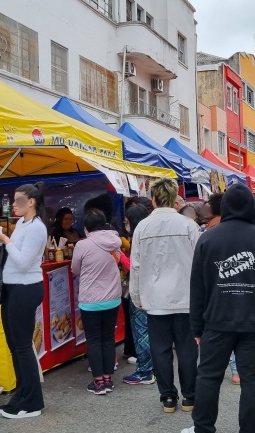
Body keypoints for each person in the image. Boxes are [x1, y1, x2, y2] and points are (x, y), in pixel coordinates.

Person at [183, 184, 255, 433]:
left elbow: (197, 287)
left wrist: (196, 326)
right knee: (252, 382)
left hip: (217, 320)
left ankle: (203, 428)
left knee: (208, 378)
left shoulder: (208, 237)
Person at [130, 177, 200, 414]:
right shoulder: (189, 225)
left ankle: (168, 397)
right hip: (186, 297)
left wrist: (136, 295)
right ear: (175, 199)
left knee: (159, 349)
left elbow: (136, 265)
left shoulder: (142, 227)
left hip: (154, 297)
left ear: (153, 199)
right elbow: (200, 264)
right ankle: (190, 397)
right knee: (187, 349)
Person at [0, 183, 48, 419]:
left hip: (25, 289)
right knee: (14, 346)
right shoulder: (22, 224)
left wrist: (4, 239)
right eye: (13, 201)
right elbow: (13, 251)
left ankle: (32, 402)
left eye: (18, 201)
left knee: (21, 346)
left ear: (31, 202)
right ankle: (22, 394)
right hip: (12, 289)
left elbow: (23, 261)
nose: (15, 205)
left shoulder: (37, 228)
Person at [71, 209, 123, 395]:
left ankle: (98, 382)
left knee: (93, 340)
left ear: (86, 228)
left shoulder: (82, 246)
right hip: (112, 298)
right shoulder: (115, 242)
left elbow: (75, 269)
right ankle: (108, 379)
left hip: (90, 300)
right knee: (108, 338)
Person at [122, 204, 156, 386]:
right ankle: (154, 366)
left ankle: (145, 371)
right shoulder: (153, 235)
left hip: (141, 290)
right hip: (156, 289)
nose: (124, 224)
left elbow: (134, 266)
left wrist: (120, 256)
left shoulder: (138, 237)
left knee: (141, 331)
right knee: (153, 330)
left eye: (126, 220)